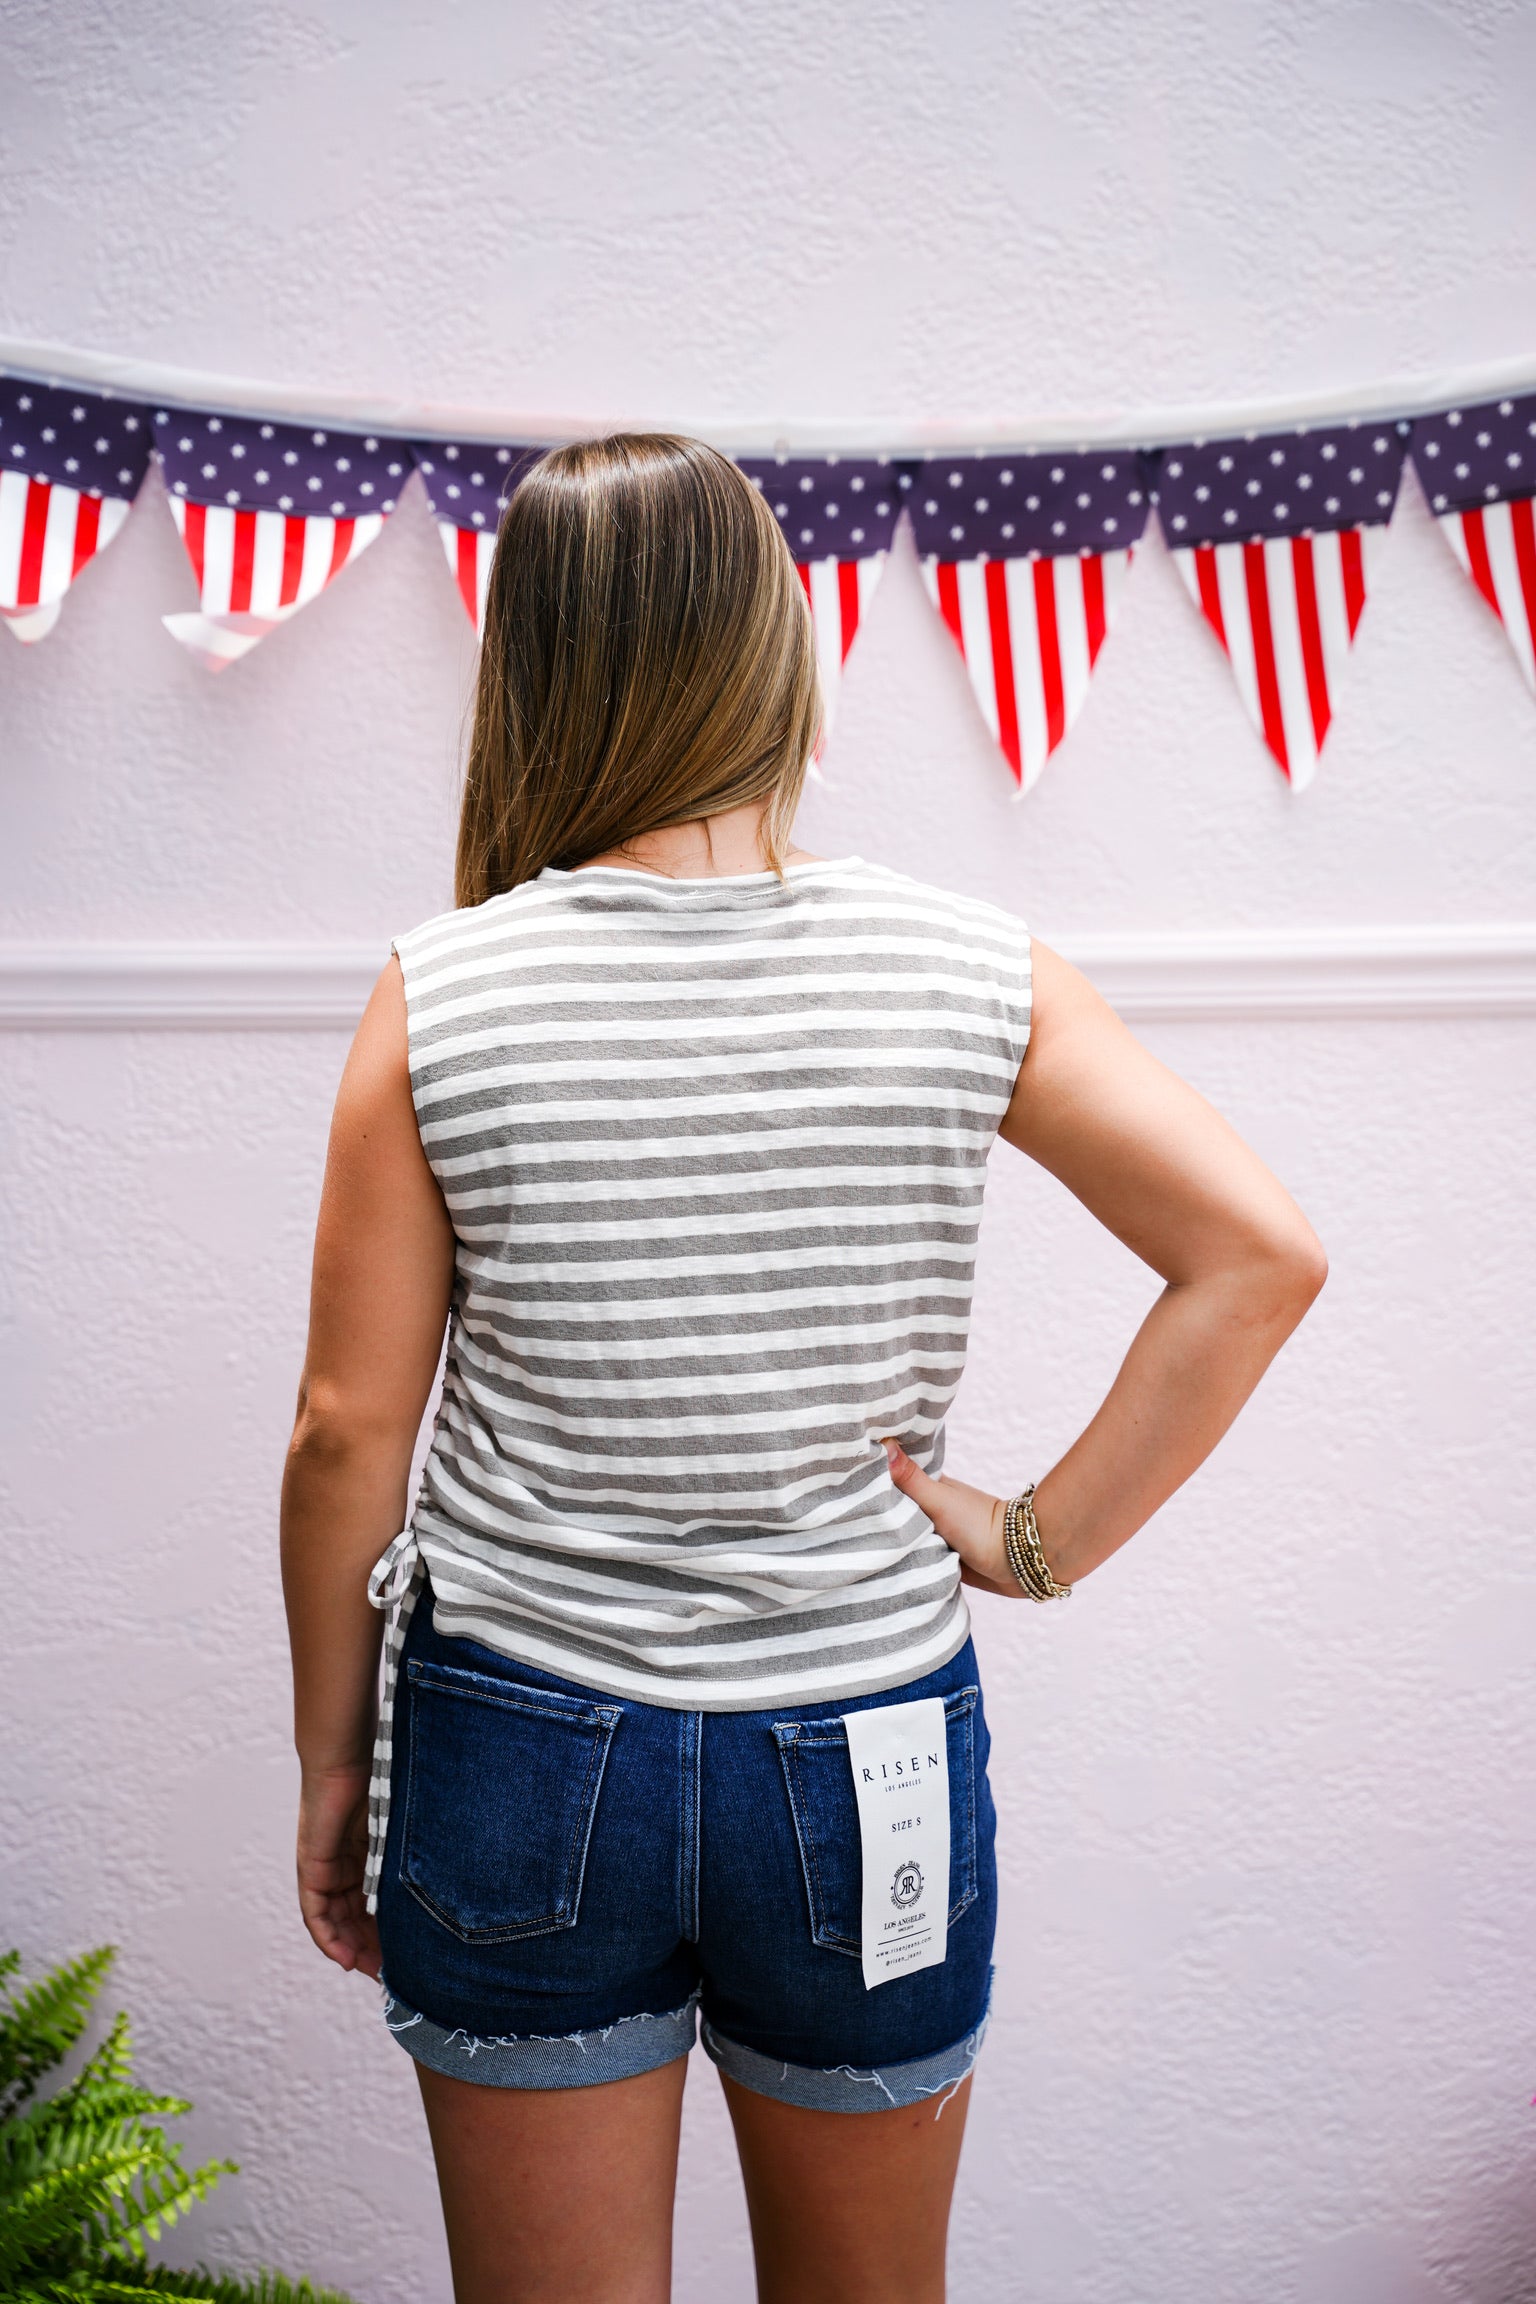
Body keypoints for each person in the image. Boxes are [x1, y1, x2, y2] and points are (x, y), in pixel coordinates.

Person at [280, 433, 1326, 2304]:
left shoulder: (443, 990)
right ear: (778, 644)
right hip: (868, 1751)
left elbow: (346, 1431)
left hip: (518, 1741)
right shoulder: (964, 966)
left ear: (532, 665)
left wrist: (331, 1766)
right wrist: (1030, 1542)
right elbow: (1257, 1253)